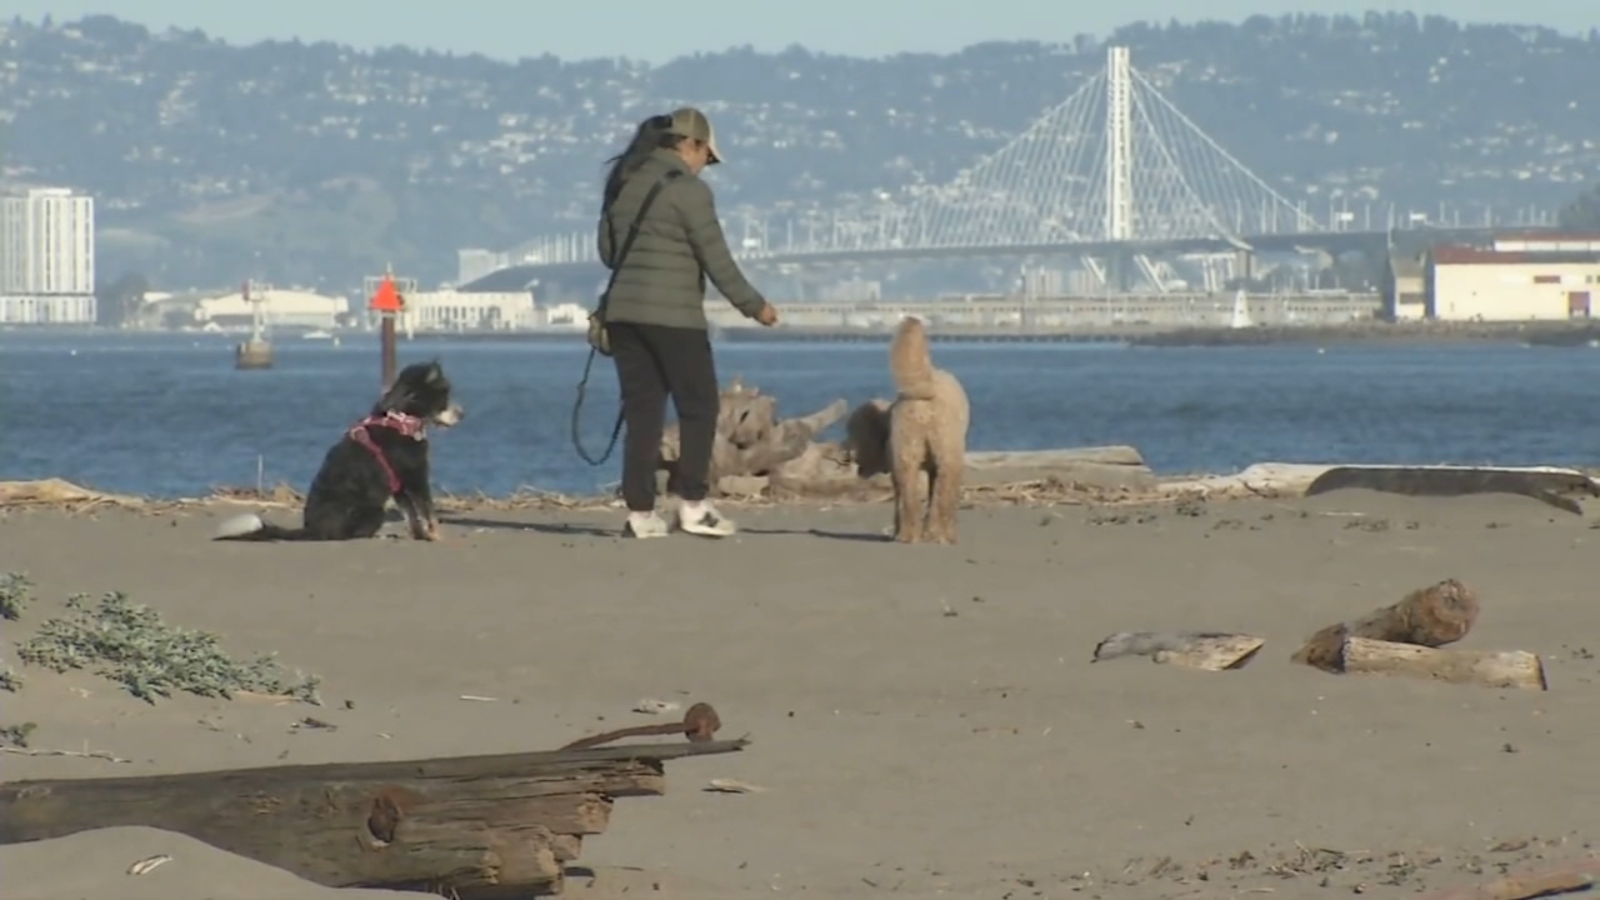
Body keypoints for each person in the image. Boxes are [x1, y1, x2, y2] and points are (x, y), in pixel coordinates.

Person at [597, 107, 780, 539]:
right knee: (700, 408)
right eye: (707, 158)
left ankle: (641, 514)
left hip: (624, 316)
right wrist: (755, 307)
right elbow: (717, 260)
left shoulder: (623, 184)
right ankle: (694, 505)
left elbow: (609, 253)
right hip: (674, 318)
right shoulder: (690, 193)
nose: (706, 167)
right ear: (689, 146)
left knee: (643, 413)